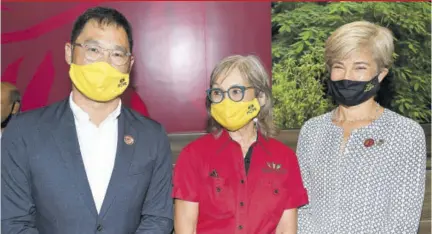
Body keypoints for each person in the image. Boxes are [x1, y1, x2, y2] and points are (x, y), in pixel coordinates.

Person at [1, 7, 173, 234]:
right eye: (93, 50)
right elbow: (13, 222)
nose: (104, 63)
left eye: (117, 54)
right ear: (69, 52)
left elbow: (158, 219)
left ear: (129, 64)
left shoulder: (152, 136)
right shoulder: (23, 133)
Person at [297, 21, 426, 233]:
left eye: (360, 67)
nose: (347, 76)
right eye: (339, 66)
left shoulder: (405, 133)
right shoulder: (312, 131)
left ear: (380, 75)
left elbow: (402, 221)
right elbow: (301, 206)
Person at [172, 55, 308, 234]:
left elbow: (286, 229)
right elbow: (186, 228)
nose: (226, 101)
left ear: (260, 98)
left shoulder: (284, 157)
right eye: (218, 93)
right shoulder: (194, 155)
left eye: (236, 92)